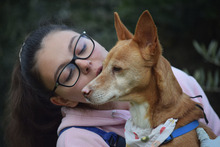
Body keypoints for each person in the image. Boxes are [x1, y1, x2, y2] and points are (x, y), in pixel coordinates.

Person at [4, 24, 220, 147]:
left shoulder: (175, 80)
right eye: (68, 73)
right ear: (63, 100)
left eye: (81, 47)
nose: (85, 64)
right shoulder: (79, 140)